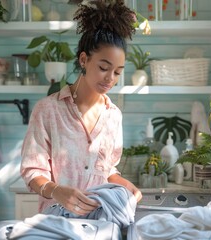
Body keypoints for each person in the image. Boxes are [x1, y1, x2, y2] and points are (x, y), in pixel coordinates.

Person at [20, 0, 142, 216]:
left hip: (99, 222)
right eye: (104, 68)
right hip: (56, 222)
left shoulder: (113, 116)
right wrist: (57, 191)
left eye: (117, 72)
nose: (110, 78)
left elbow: (106, 170)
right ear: (84, 59)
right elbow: (32, 172)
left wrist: (123, 183)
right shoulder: (48, 110)